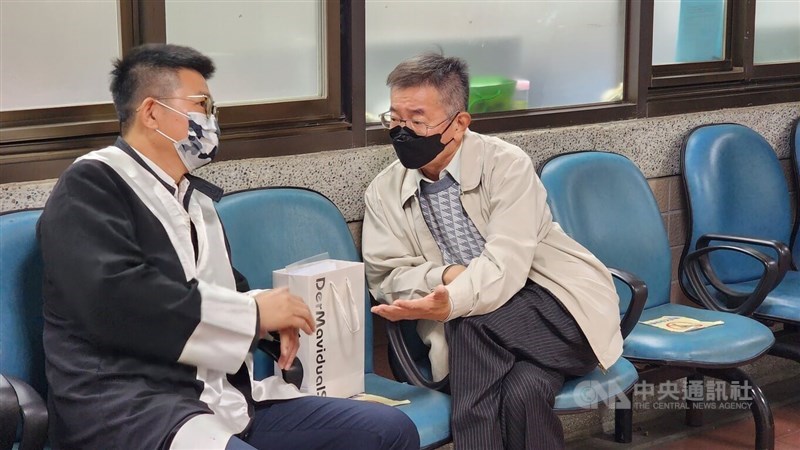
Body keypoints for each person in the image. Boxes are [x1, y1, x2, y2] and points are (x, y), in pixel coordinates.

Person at [37, 43, 418, 450]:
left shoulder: (196, 200)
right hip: (131, 407)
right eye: (201, 105)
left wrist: (269, 323)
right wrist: (253, 313)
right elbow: (117, 298)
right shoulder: (92, 185)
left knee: (389, 431)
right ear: (151, 112)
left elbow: (225, 291)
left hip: (221, 397)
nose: (211, 120)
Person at [363, 53, 623, 449]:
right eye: (395, 119)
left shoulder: (506, 165)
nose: (402, 131)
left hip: (556, 312)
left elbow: (508, 266)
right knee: (524, 390)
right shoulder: (384, 190)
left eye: (417, 120)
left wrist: (450, 301)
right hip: (483, 348)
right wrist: (446, 277)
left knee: (470, 321)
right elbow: (386, 276)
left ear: (460, 123)